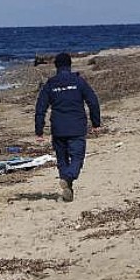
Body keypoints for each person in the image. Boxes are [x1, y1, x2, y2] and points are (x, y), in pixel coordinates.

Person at [35, 52, 101, 202]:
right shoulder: (78, 81)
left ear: (56, 66)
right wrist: (96, 123)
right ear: (70, 65)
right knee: (77, 157)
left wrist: (39, 130)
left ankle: (68, 188)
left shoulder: (51, 84)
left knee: (62, 160)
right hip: (76, 127)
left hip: (58, 128)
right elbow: (93, 101)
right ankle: (68, 179)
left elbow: (40, 108)